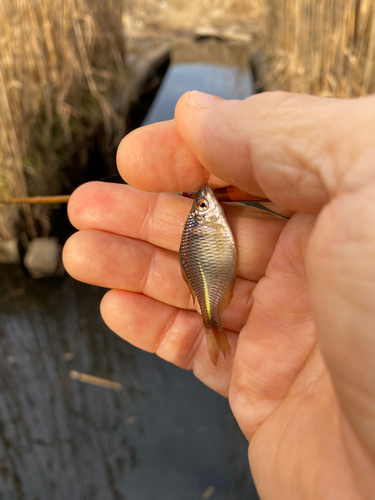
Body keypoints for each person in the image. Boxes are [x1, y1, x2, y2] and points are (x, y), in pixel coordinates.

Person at [63, 91, 375, 499]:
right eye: (201, 204)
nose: (204, 202)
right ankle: (213, 327)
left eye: (202, 203)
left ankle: (213, 327)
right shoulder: (205, 220)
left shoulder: (206, 220)